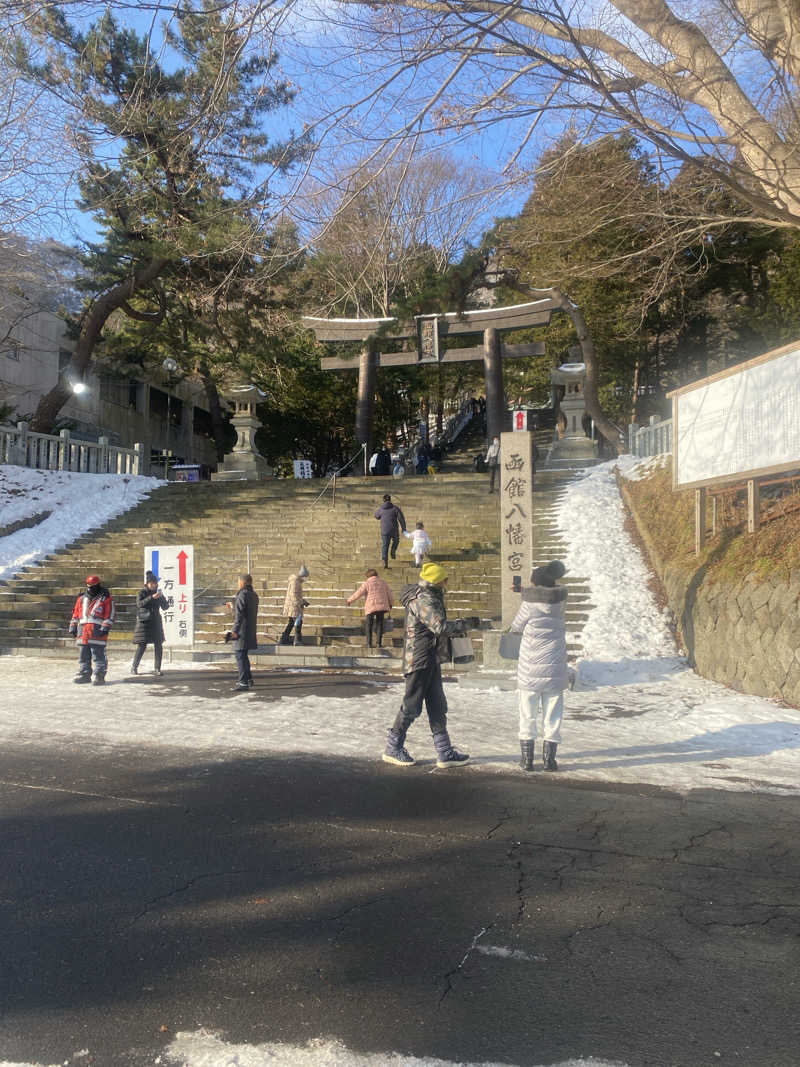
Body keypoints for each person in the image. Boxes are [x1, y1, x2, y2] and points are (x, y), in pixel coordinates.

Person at [382, 562, 469, 769]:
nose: (447, 582)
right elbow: (438, 626)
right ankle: (392, 747)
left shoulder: (432, 595)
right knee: (411, 705)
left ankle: (444, 751)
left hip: (431, 657)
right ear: (437, 580)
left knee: (437, 704)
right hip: (419, 659)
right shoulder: (423, 598)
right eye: (444, 579)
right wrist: (465, 624)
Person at [509, 560, 568, 772]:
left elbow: (516, 627)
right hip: (554, 668)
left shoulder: (528, 604)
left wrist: (524, 594)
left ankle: (526, 760)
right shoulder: (560, 602)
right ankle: (549, 761)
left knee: (528, 713)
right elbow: (546, 595)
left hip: (530, 669)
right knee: (553, 714)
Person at [68, 574, 116, 685]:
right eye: (89, 585)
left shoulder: (106, 598)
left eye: (93, 585)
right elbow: (76, 613)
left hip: (97, 631)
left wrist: (106, 626)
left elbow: (110, 614)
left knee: (98, 655)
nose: (90, 588)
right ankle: (84, 674)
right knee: (83, 656)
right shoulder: (81, 598)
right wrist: (73, 626)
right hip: (82, 631)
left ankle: (99, 676)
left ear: (98, 585)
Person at [130, 570, 168, 676]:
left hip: (155, 621)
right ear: (147, 584)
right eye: (151, 583)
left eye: (155, 583)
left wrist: (161, 598)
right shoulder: (142, 592)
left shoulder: (158, 593)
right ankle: (134, 667)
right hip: (144, 622)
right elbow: (139, 604)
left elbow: (165, 607)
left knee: (158, 645)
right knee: (142, 645)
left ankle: (157, 668)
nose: (153, 585)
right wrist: (151, 597)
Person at [227, 573, 259, 691]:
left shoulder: (242, 595)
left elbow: (239, 615)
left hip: (241, 630)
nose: (238, 584)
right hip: (250, 629)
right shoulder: (254, 595)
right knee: (244, 655)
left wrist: (234, 631)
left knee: (240, 656)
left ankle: (243, 682)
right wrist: (234, 607)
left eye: (238, 582)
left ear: (242, 582)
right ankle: (248, 678)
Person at [346, 568, 394, 648]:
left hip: (371, 607)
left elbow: (358, 593)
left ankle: (369, 643)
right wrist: (391, 604)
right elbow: (390, 594)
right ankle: (379, 643)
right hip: (381, 607)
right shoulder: (383, 583)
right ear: (376, 575)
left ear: (368, 576)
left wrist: (349, 600)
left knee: (369, 625)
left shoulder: (367, 583)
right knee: (380, 624)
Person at [374, 493, 407, 569]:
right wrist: (403, 528)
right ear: (390, 500)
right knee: (396, 541)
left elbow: (376, 516)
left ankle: (385, 562)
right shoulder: (395, 508)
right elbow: (401, 519)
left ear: (383, 500)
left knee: (385, 545)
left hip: (384, 530)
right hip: (394, 529)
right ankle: (393, 551)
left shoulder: (381, 509)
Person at [280, 564, 309, 645]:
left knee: (292, 622)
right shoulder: (295, 582)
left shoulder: (296, 581)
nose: (305, 578)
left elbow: (296, 595)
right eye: (305, 576)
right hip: (293, 606)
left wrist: (303, 601)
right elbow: (294, 595)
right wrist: (301, 602)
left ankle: (284, 639)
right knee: (298, 622)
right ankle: (297, 640)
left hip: (293, 605)